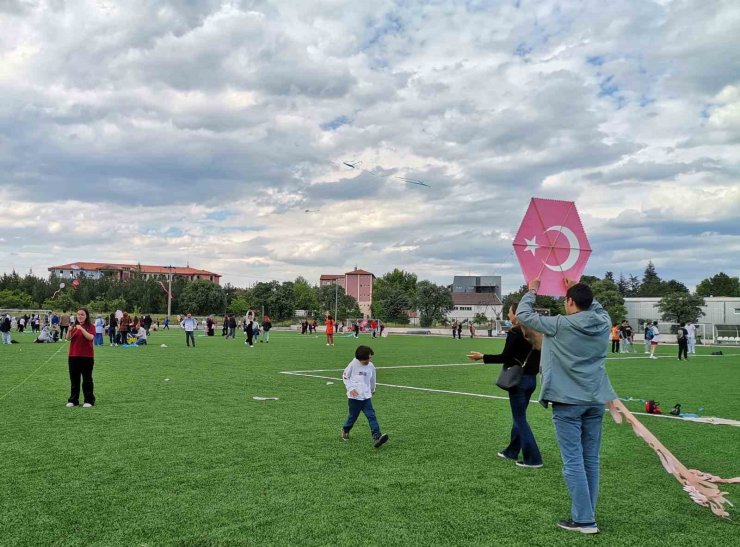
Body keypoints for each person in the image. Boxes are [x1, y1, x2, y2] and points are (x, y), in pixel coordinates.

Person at [516, 278, 616, 535]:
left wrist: (532, 290)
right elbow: (601, 310)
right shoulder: (603, 322)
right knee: (590, 460)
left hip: (568, 401)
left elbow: (523, 314)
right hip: (595, 400)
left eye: (566, 299)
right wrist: (580, 288)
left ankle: (584, 520)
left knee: (573, 461)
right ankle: (587, 514)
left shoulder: (560, 324)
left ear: (570, 301)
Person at [467, 302, 543, 468]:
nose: (508, 315)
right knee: (519, 417)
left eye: (510, 312)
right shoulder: (538, 333)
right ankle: (512, 450)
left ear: (517, 314)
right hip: (531, 380)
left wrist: (482, 356)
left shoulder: (515, 333)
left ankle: (533, 458)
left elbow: (505, 357)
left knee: (520, 419)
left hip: (518, 381)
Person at [341, 345, 389, 448]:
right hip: (354, 398)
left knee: (371, 415)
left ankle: (377, 437)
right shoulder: (353, 364)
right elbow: (345, 376)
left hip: (366, 397)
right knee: (353, 417)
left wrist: (372, 389)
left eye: (370, 357)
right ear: (360, 358)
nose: (369, 360)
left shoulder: (371, 366)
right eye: (367, 358)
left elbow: (372, 379)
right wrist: (350, 388)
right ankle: (345, 429)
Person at [65, 308, 96, 408]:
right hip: (73, 356)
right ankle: (73, 400)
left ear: (86, 316)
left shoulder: (91, 326)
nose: (80, 316)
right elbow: (67, 338)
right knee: (74, 379)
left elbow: (90, 337)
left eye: (82, 314)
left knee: (87, 379)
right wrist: (69, 331)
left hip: (87, 357)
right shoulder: (73, 327)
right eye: (78, 314)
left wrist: (81, 329)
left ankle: (89, 400)